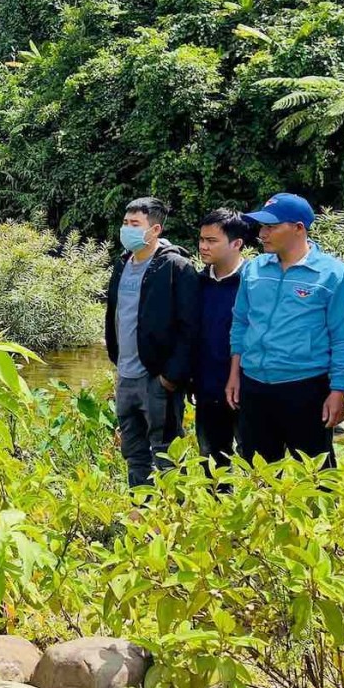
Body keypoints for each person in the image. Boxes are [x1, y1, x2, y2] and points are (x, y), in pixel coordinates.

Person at [228, 193, 344, 468]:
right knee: (258, 474)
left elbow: (343, 338)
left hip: (306, 388)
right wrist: (234, 374)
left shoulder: (333, 275)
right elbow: (240, 323)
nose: (262, 234)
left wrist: (339, 391)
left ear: (299, 228)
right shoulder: (254, 270)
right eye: (261, 226)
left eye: (271, 227)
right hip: (254, 385)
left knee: (316, 476)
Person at [104, 197, 199, 488]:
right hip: (126, 375)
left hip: (157, 378)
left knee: (167, 453)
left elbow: (190, 327)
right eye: (125, 223)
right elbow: (116, 315)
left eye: (135, 224)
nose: (127, 229)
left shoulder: (175, 266)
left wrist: (170, 377)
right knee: (133, 452)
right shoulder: (122, 264)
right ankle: (140, 507)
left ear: (155, 229)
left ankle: (172, 511)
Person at [192, 209, 251, 468]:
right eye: (201, 239)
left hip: (248, 389)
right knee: (212, 463)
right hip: (207, 389)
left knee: (256, 463)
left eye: (211, 241)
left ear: (236, 243)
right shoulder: (197, 283)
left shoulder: (253, 282)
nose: (203, 246)